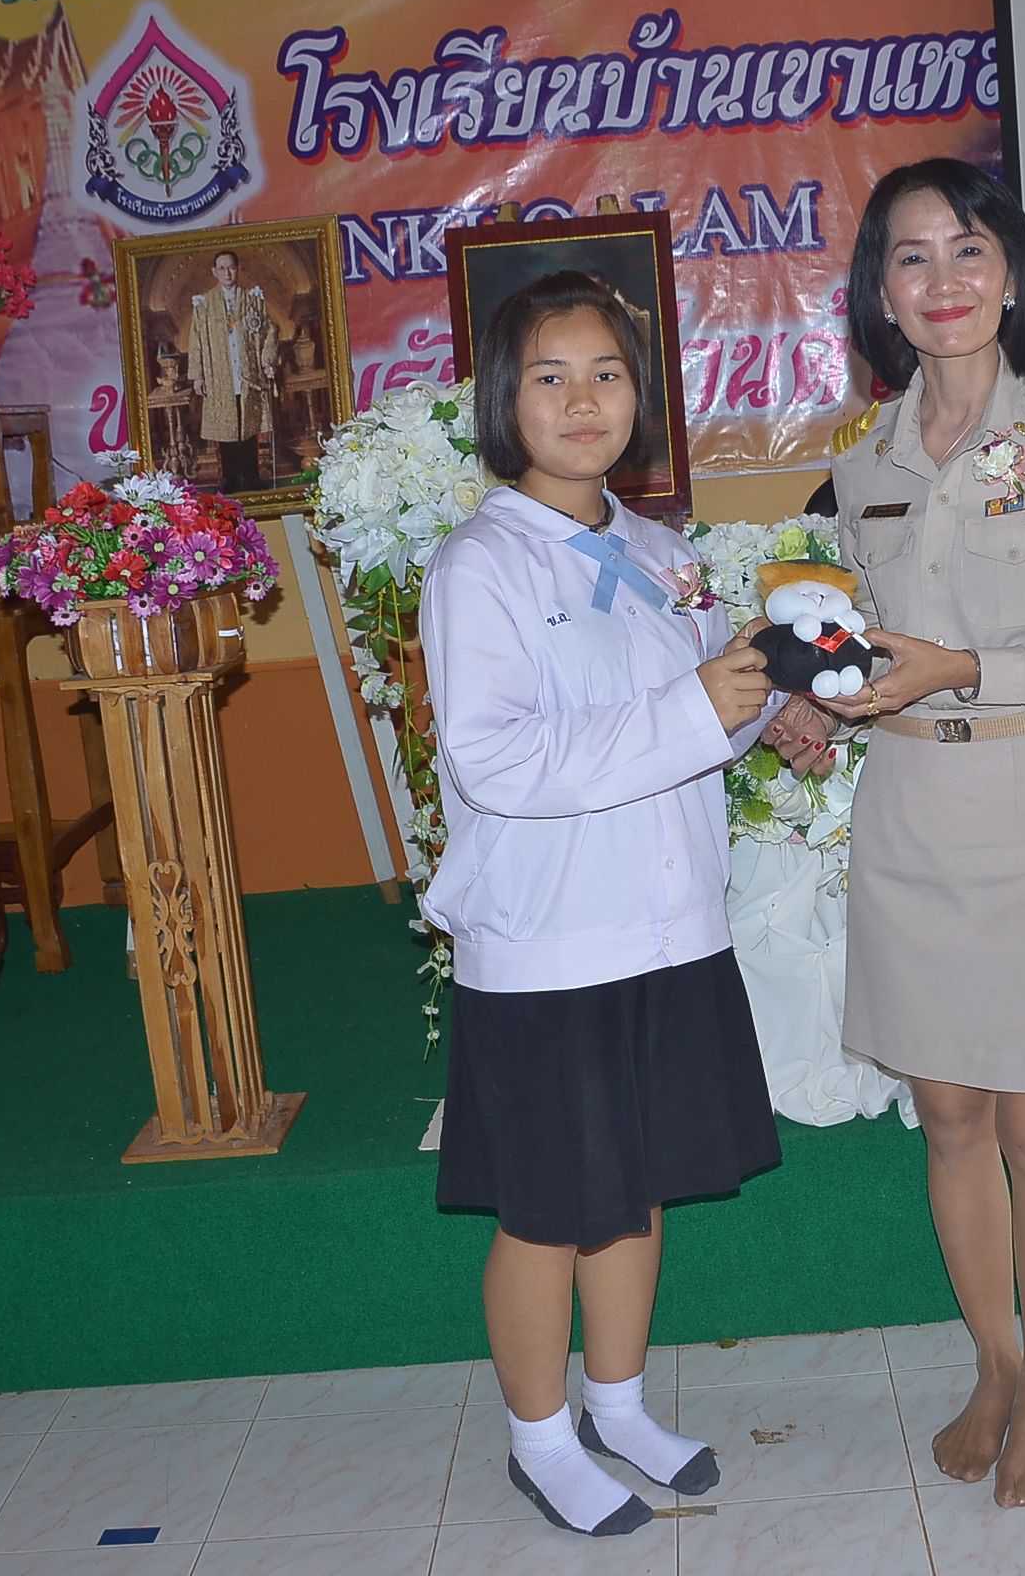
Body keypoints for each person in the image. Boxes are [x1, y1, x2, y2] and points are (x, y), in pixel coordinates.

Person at [763, 158, 1025, 1508]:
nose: (942, 281)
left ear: (1012, 277)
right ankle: (993, 1363)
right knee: (947, 1119)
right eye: (912, 257)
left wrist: (965, 668)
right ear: (879, 293)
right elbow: (856, 641)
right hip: (911, 811)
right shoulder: (859, 455)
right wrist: (814, 704)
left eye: (969, 251)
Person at [417, 270, 785, 1538]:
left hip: (669, 927)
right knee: (550, 1209)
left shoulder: (662, 554)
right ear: (503, 401)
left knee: (639, 1186)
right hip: (552, 941)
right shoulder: (480, 565)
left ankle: (618, 1406)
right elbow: (496, 762)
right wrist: (692, 709)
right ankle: (540, 1437)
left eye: (608, 374)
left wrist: (770, 701)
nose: (584, 402)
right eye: (551, 377)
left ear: (642, 395)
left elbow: (701, 723)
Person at [185, 250, 277, 496]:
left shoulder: (253, 299)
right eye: (222, 268)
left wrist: (267, 361)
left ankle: (251, 476)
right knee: (226, 428)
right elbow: (196, 341)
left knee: (248, 425)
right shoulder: (204, 304)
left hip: (247, 374)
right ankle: (230, 478)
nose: (227, 273)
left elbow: (269, 331)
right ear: (214, 272)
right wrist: (198, 375)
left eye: (231, 267)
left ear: (238, 269)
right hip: (219, 375)